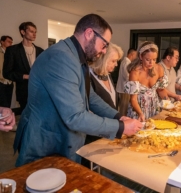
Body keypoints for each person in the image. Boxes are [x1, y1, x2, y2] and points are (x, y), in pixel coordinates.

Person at [13, 14, 142, 167]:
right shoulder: (61, 57)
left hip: (62, 138)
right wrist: (121, 128)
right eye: (104, 44)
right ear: (89, 33)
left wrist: (118, 117)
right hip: (45, 141)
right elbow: (75, 117)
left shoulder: (76, 55)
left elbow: (90, 96)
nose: (104, 50)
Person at [3, 22, 44, 112]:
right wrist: (25, 76)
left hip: (40, 90)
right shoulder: (12, 50)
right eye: (31, 31)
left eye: (35, 32)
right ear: (23, 32)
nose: (34, 34)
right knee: (26, 118)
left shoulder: (40, 51)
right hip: (23, 91)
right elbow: (6, 73)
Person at [125, 41, 168, 122]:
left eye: (154, 59)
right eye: (148, 59)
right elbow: (133, 99)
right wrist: (140, 114)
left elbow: (161, 90)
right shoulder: (135, 72)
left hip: (154, 107)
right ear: (141, 57)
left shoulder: (159, 69)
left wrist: (167, 102)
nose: (151, 63)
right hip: (138, 109)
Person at [116, 48, 137, 116]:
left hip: (125, 88)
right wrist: (135, 78)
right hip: (124, 89)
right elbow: (127, 76)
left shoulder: (127, 62)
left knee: (124, 107)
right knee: (124, 108)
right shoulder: (126, 62)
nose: (136, 57)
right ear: (132, 54)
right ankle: (122, 122)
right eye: (135, 55)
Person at [0, 36, 13, 107]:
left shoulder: (11, 53)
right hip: (1, 82)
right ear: (2, 42)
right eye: (9, 42)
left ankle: (7, 118)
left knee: (8, 104)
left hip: (9, 82)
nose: (11, 44)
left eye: (11, 42)